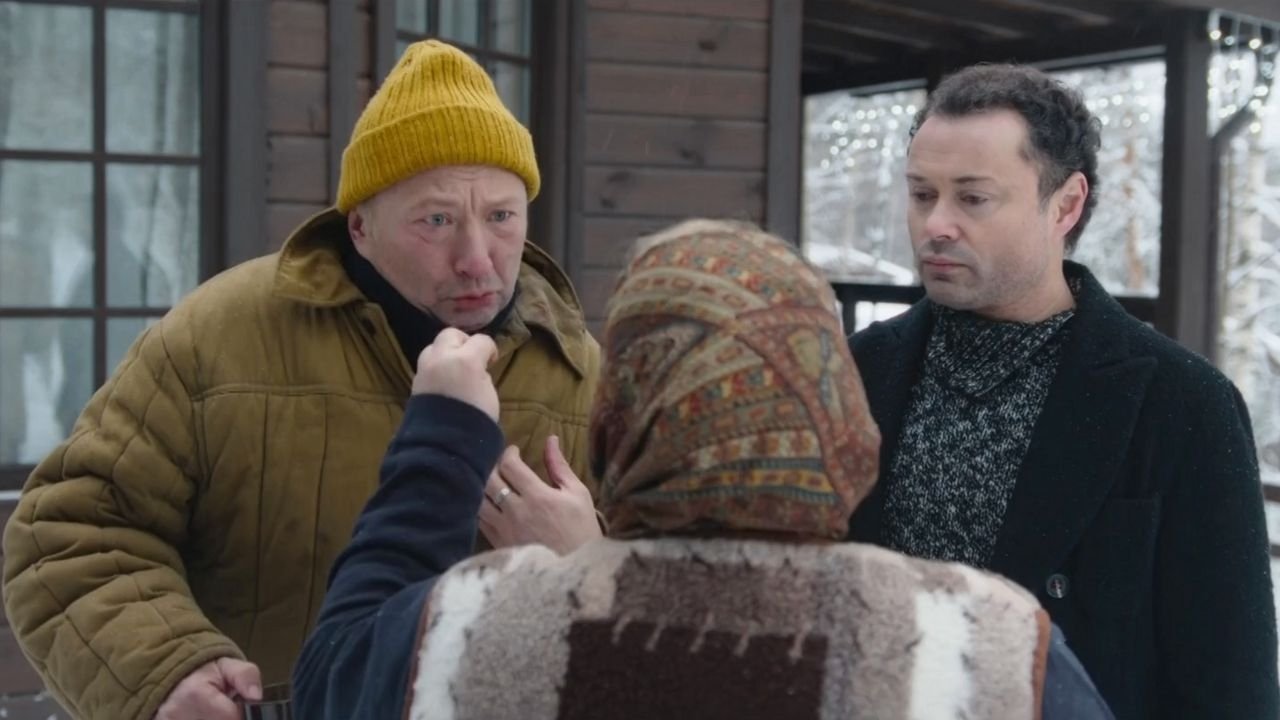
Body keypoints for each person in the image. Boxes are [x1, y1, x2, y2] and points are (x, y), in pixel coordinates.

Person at [292, 219, 1114, 720]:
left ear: (617, 416)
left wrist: (444, 435)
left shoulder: (476, 630)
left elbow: (332, 676)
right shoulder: (988, 650)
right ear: (835, 414)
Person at [1, 39, 599, 720]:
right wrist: (163, 668)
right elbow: (69, 534)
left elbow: (676, 608)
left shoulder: (581, 371)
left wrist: (592, 559)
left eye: (501, 217)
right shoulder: (222, 334)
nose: (476, 258)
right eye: (437, 220)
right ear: (361, 227)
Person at [844, 63, 1278, 718]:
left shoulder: (1182, 403)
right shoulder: (858, 370)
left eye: (973, 198)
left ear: (1066, 205)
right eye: (922, 194)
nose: (936, 223)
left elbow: (1230, 684)